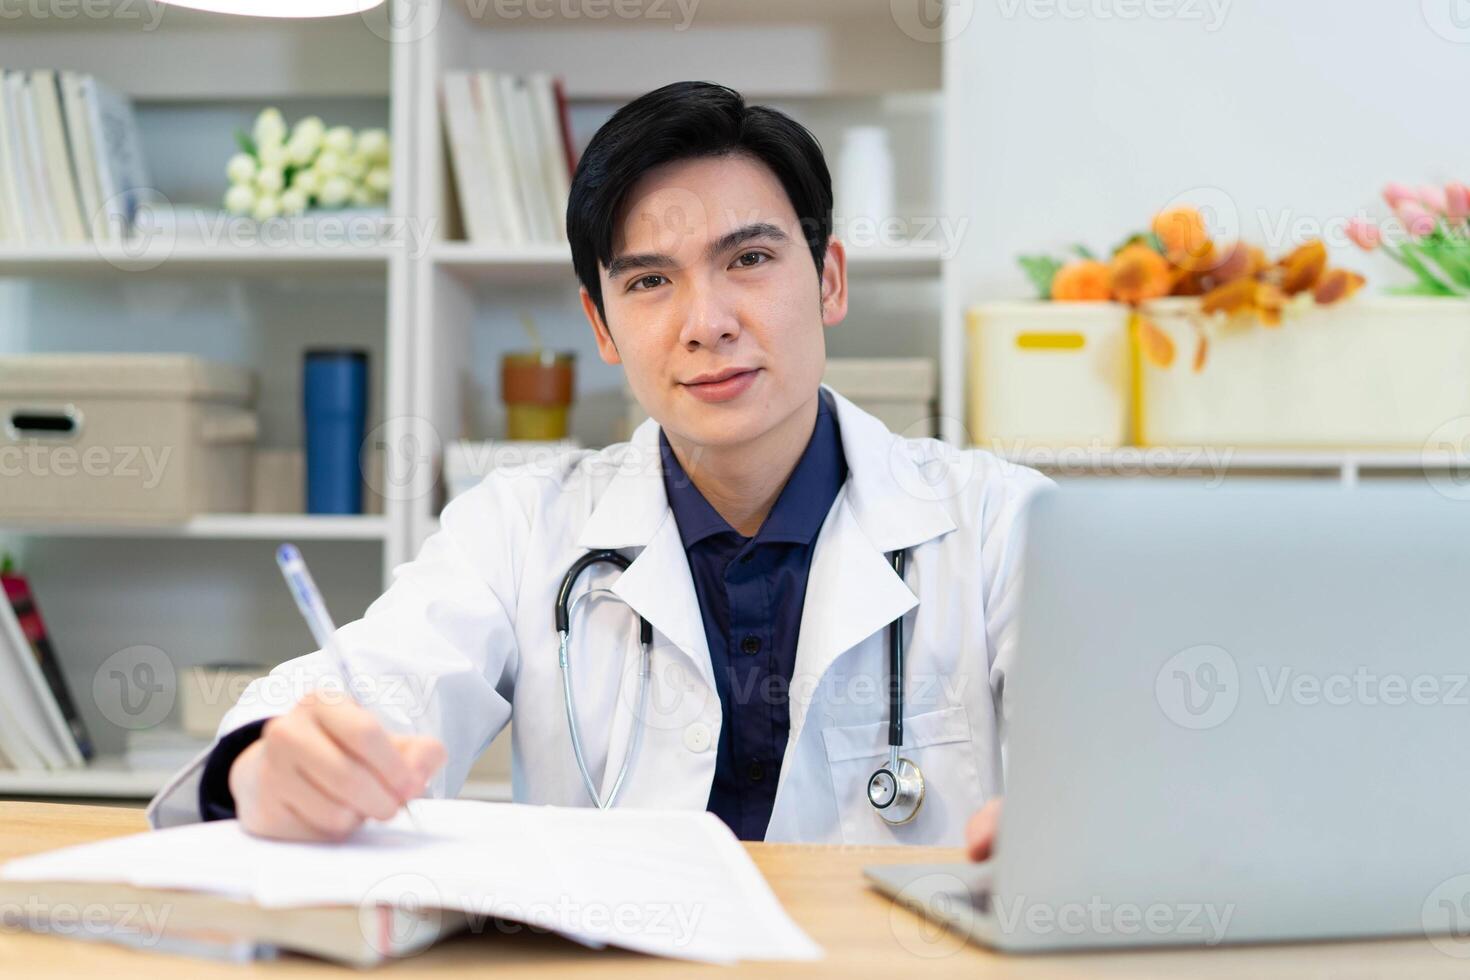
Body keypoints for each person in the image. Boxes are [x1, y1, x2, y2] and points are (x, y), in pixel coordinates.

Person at [147, 81, 1050, 848]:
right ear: (601, 324)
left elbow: (1126, 754)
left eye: (750, 258)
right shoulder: (521, 526)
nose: (707, 321)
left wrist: (1075, 828)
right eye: (650, 281)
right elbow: (384, 677)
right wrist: (272, 759)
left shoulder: (1003, 524)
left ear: (829, 281)